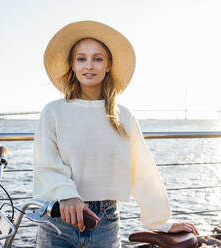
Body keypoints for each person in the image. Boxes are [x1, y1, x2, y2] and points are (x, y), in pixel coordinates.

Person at [33, 20, 198, 248]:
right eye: (81, 58)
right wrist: (67, 194)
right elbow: (46, 163)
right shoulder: (53, 111)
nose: (88, 65)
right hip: (59, 221)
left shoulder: (123, 116)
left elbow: (142, 171)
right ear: (72, 64)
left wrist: (161, 222)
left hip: (104, 222)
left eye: (97, 59)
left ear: (108, 65)